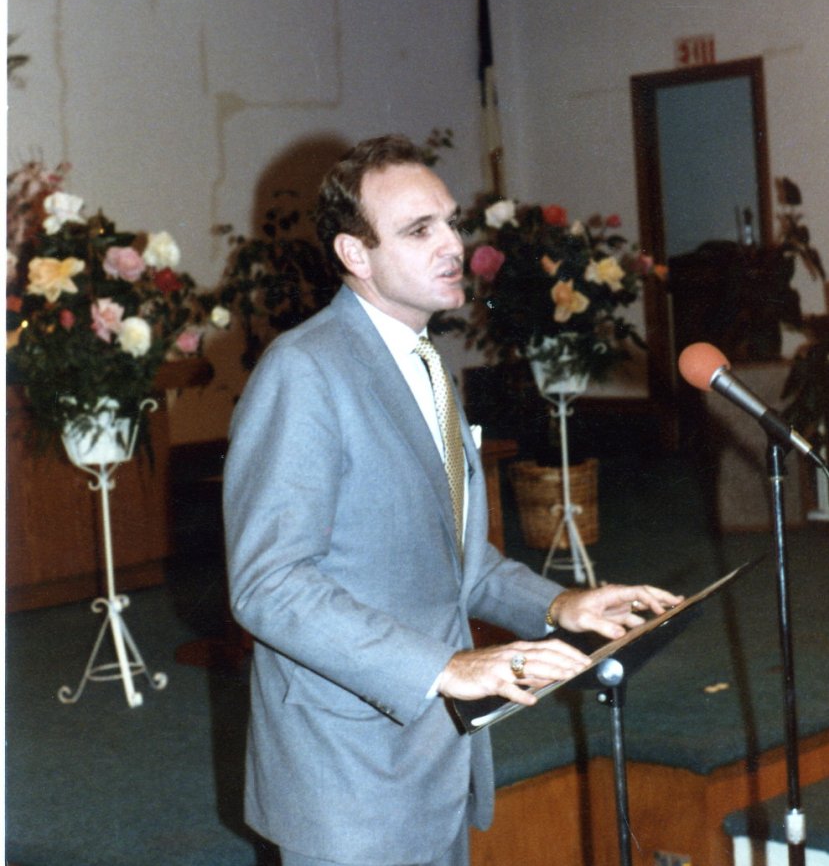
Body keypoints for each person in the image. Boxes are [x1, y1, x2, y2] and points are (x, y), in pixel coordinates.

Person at [223, 134, 681, 866]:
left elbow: (458, 562)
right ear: (354, 253)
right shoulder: (305, 370)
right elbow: (269, 585)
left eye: (451, 221)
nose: (452, 245)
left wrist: (560, 605)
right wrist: (443, 668)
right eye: (418, 229)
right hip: (347, 768)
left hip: (437, 753)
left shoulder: (426, 364)